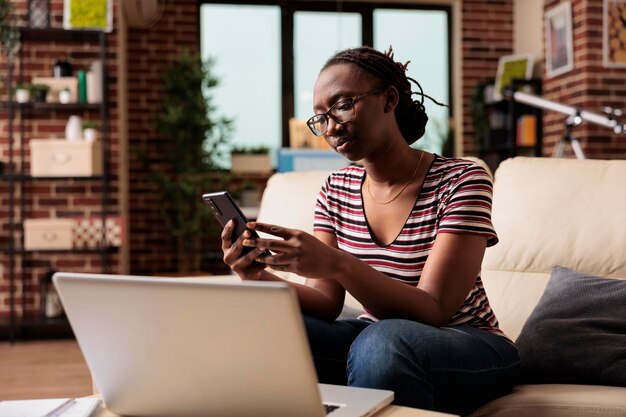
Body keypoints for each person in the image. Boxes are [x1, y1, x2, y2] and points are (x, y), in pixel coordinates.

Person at [221, 46, 519, 416]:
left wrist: (336, 263)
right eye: (321, 118)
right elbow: (326, 303)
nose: (332, 127)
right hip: (375, 342)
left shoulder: (461, 180)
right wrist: (257, 275)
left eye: (343, 106)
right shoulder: (336, 189)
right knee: (267, 324)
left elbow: (434, 309)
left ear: (389, 99)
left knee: (382, 341)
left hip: (468, 342)